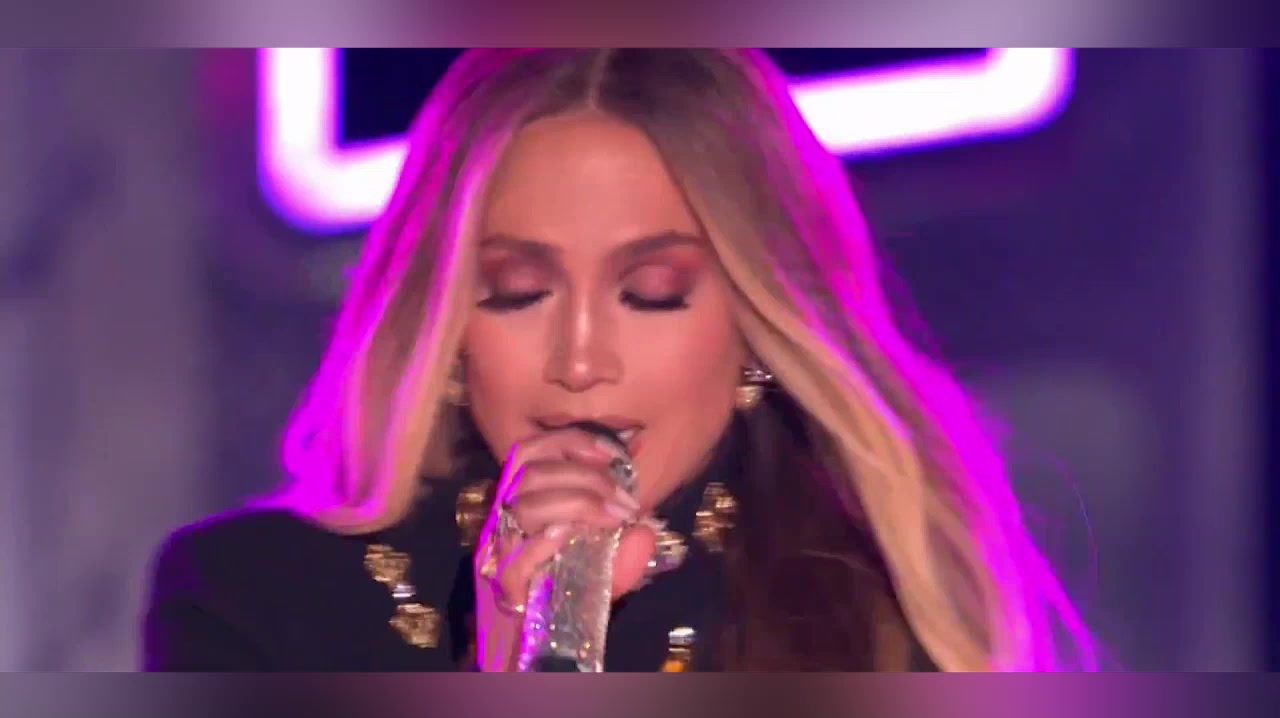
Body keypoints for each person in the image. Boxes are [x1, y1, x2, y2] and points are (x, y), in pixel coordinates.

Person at [142, 48, 1096, 672]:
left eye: (652, 292)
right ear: (444, 319)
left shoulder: (869, 609)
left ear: (756, 322)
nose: (581, 360)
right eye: (519, 291)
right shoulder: (250, 603)